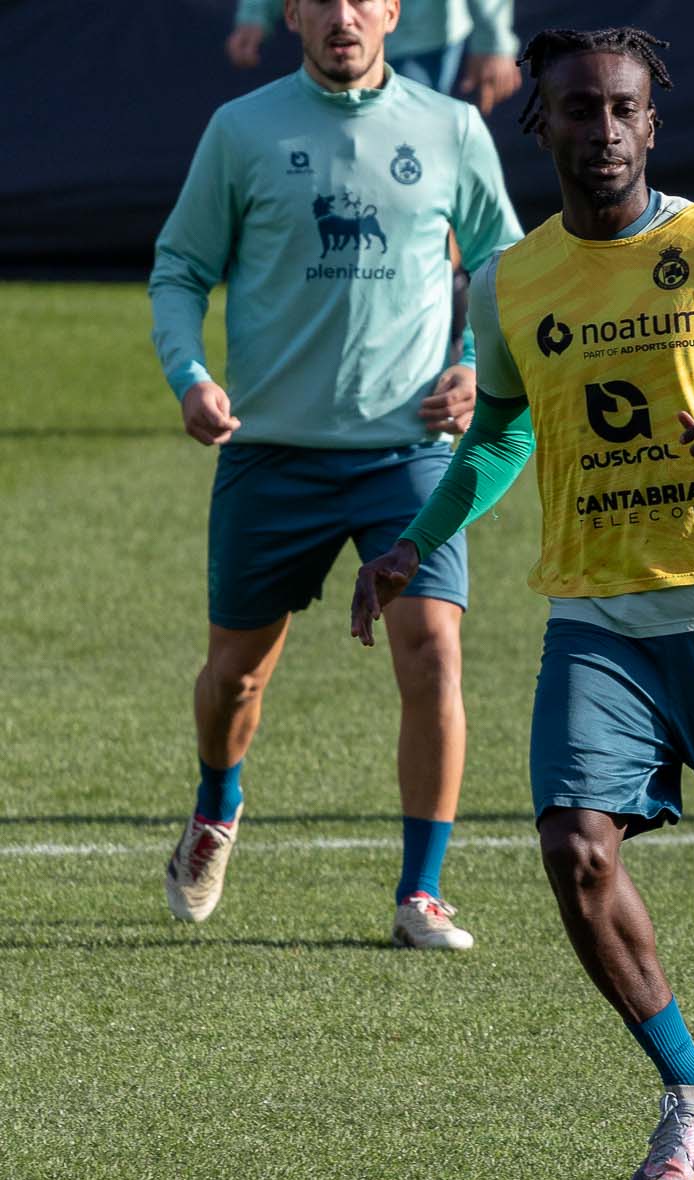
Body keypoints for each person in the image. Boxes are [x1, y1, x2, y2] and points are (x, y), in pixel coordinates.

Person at [348, 26, 694, 1180]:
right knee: (572, 849)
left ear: (653, 123)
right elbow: (500, 431)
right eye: (579, 109)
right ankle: (693, 1088)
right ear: (538, 123)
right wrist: (412, 545)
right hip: (595, 613)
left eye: (623, 110)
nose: (601, 131)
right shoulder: (508, 280)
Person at [150, 0, 523, 948]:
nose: (343, 15)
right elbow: (180, 269)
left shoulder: (450, 128)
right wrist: (191, 376)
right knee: (237, 676)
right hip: (270, 453)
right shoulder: (242, 129)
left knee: (433, 648)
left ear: (395, 10)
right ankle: (215, 806)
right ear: (292, 15)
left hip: (407, 452)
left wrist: (479, 363)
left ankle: (421, 891)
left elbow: (501, 264)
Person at [228, 0, 523, 113]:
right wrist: (255, 14)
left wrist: (492, 41)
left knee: (419, 158)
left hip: (421, 43)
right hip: (331, 37)